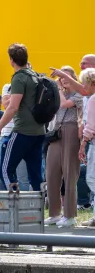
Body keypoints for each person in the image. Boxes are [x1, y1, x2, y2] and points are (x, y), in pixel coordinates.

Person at [0, 44, 45, 192]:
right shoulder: (34, 75)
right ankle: (37, 210)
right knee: (36, 175)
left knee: (5, 170)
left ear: (11, 60)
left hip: (23, 130)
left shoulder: (19, 78)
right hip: (39, 131)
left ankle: (15, 207)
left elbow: (13, 106)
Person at [45, 66, 84, 228]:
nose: (63, 80)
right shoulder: (58, 92)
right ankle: (54, 213)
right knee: (51, 171)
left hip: (71, 129)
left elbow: (65, 104)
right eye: (61, 77)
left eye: (66, 77)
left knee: (70, 173)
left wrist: (59, 90)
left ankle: (70, 215)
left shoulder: (79, 93)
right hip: (56, 132)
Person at [0, 84, 31, 191]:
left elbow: (10, 103)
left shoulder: (31, 87)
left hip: (23, 135)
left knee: (22, 176)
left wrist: (13, 99)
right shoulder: (8, 86)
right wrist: (23, 98)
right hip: (6, 134)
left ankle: (23, 206)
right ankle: (1, 205)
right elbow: (6, 104)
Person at [75, 69, 95, 226]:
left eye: (84, 82)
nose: (83, 86)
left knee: (92, 178)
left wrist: (83, 143)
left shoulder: (93, 99)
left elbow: (91, 125)